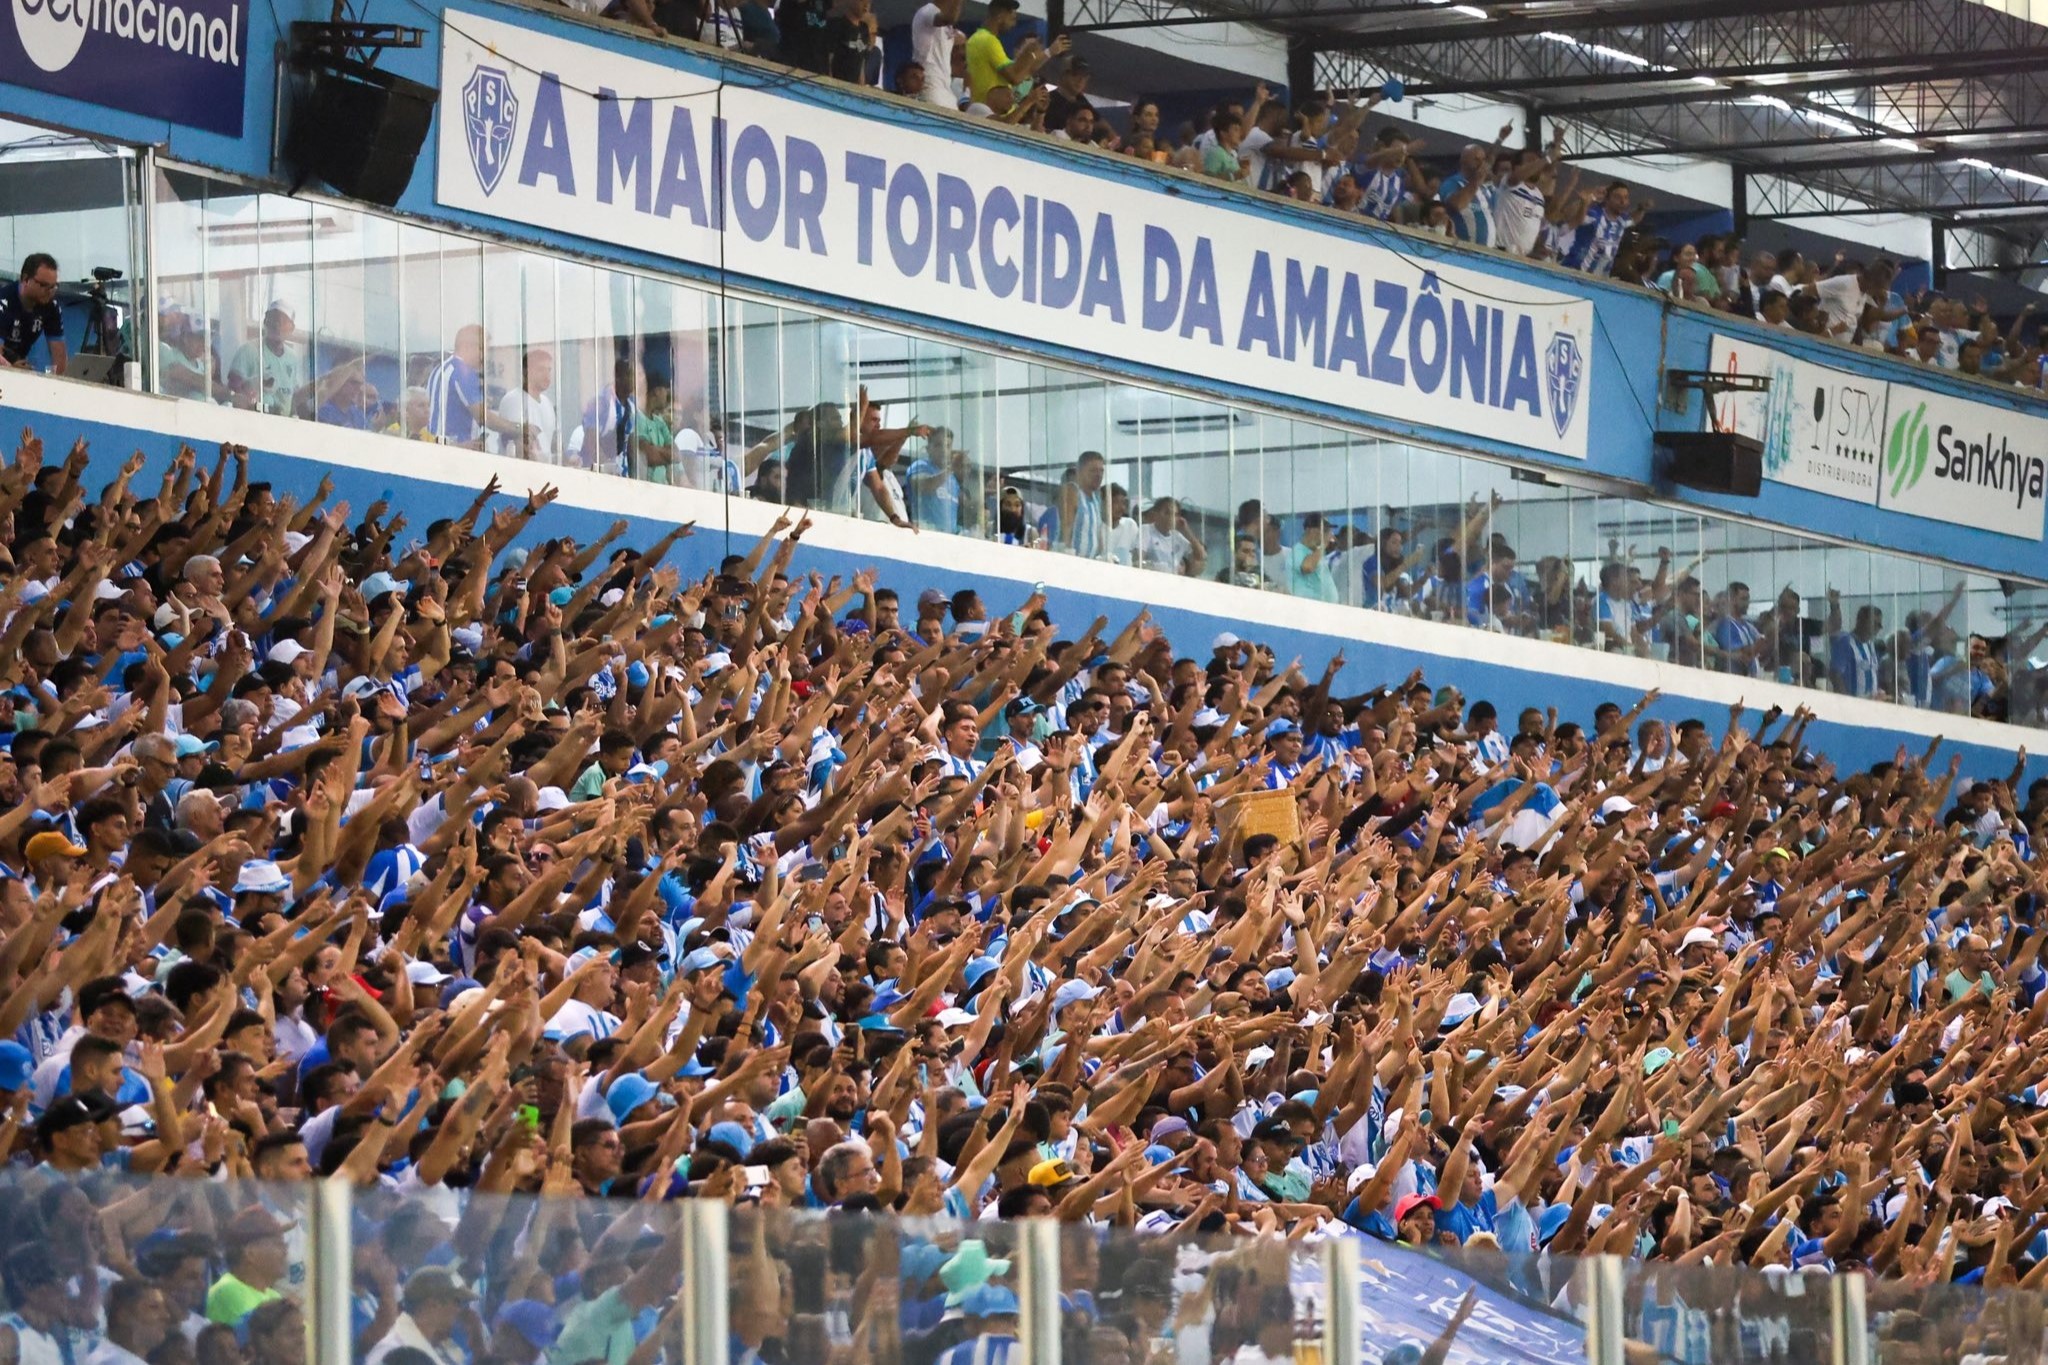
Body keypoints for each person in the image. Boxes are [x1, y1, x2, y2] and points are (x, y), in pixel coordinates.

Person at [227, 301, 300, 415]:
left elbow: (293, 396)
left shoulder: (293, 358)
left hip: (284, 425)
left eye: (283, 321)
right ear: (266, 321)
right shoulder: (249, 350)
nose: (277, 325)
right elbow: (233, 389)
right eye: (274, 318)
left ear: (292, 328)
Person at [0, 253, 67, 375]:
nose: (50, 292)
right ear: (26, 279)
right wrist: (11, 368)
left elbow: (59, 357)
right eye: (44, 285)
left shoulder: (51, 306)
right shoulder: (4, 301)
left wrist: (51, 381)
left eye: (54, 286)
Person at [495, 349, 558, 462]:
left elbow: (550, 442)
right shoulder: (514, 400)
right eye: (541, 369)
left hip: (545, 472)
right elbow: (518, 445)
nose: (547, 375)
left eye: (549, 370)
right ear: (525, 371)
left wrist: (566, 458)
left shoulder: (547, 402)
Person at [909, 0, 963, 108]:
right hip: (931, 86)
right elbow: (949, 19)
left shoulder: (947, 26)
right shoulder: (927, 11)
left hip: (946, 89)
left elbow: (961, 39)